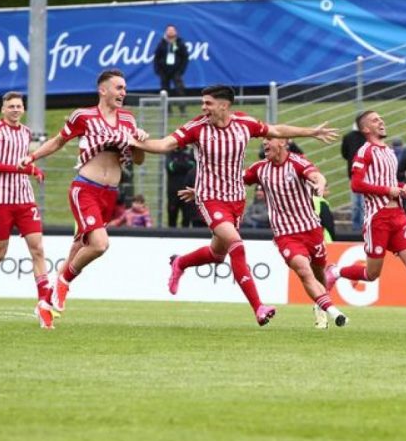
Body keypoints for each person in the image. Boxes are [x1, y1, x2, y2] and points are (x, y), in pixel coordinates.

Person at [130, 84, 338, 326]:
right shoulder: (197, 128)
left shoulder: (243, 124)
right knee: (236, 245)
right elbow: (165, 145)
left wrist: (311, 132)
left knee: (218, 254)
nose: (203, 107)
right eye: (203, 102)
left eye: (208, 103)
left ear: (224, 105)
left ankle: (180, 262)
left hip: (236, 200)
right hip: (210, 198)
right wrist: (134, 142)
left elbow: (276, 129)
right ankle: (258, 307)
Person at [21, 69, 146, 319]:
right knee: (99, 244)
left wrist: (139, 142)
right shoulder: (84, 116)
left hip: (110, 194)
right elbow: (58, 141)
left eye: (124, 88)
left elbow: (138, 160)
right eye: (118, 87)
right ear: (103, 90)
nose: (124, 92)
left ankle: (45, 304)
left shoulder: (129, 120)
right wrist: (32, 156)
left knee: (78, 247)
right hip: (86, 189)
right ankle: (63, 284)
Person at [324, 110, 406, 328]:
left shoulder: (390, 152)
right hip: (377, 218)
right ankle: (335, 272)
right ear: (366, 129)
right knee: (371, 274)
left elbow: (391, 181)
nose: (381, 121)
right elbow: (356, 185)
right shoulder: (364, 152)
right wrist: (388, 190)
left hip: (398, 215)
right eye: (375, 120)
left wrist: (402, 187)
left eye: (381, 118)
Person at [244, 136, 347, 329]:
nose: (265, 143)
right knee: (303, 270)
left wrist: (320, 184)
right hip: (285, 234)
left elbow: (317, 176)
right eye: (264, 140)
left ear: (282, 142)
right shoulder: (260, 169)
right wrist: (204, 190)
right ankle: (333, 312)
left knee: (318, 272)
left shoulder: (297, 163)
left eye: (270, 139)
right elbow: (235, 180)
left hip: (311, 229)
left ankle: (320, 305)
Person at [0, 92, 50, 328]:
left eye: (18, 106)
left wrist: (35, 169)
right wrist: (23, 170)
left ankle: (44, 305)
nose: (14, 109)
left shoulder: (26, 132)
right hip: (0, 200)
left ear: (23, 109)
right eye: (10, 106)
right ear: (3, 110)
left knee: (38, 249)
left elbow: (24, 163)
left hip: (24, 199)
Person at [152, 24, 189, 112]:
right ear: (166, 32)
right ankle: (168, 110)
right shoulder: (162, 43)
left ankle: (182, 109)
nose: (171, 32)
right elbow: (156, 58)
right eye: (169, 30)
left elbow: (185, 57)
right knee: (165, 90)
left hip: (176, 70)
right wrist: (158, 70)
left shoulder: (180, 43)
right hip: (164, 71)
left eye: (172, 30)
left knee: (179, 88)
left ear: (176, 32)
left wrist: (181, 70)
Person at [340, 124, 366, 232]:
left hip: (366, 176)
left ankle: (364, 227)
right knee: (356, 203)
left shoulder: (367, 137)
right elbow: (345, 153)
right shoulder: (349, 137)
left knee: (363, 204)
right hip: (354, 175)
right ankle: (356, 228)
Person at [165, 145, 196, 227]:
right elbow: (171, 167)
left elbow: (193, 166)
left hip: (187, 192)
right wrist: (185, 164)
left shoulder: (190, 153)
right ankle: (170, 237)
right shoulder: (170, 153)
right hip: (173, 192)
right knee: (172, 217)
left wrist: (178, 164)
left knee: (186, 218)